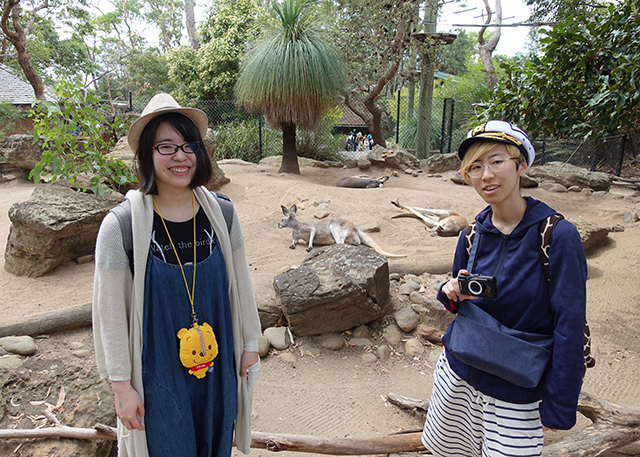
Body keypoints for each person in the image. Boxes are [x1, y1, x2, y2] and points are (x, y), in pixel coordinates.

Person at [92, 93, 262, 457]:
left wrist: (249, 344)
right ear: (147, 156)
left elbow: (241, 283)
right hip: (156, 374)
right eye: (166, 147)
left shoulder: (223, 214)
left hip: (217, 365)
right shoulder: (120, 226)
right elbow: (108, 314)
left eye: (189, 145)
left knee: (215, 441)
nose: (180, 156)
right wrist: (122, 387)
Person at [421, 121, 587, 457]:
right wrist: (450, 291)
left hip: (518, 386)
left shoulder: (557, 236)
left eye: (497, 162)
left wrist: (560, 403)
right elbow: (457, 301)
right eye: (476, 167)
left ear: (521, 165)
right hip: (459, 374)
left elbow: (570, 323)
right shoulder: (471, 234)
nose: (486, 175)